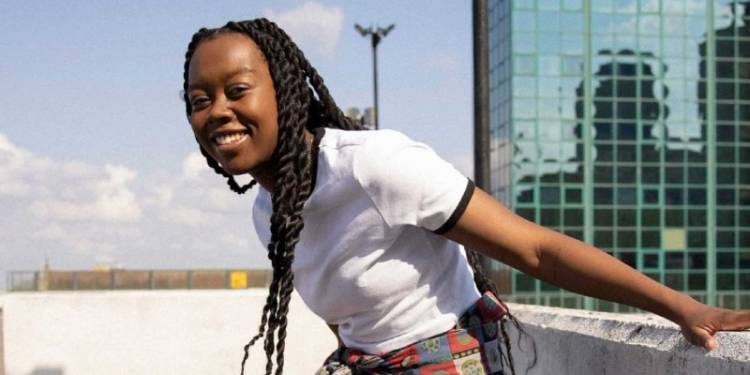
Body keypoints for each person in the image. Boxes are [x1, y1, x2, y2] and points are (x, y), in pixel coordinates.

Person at [181, 19, 750, 375]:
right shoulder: (270, 212)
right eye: (200, 99)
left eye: (237, 91)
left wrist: (681, 307)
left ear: (282, 92)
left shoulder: (373, 164)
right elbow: (349, 321)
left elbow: (536, 250)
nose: (217, 112)